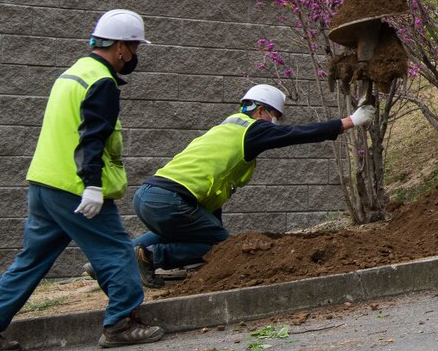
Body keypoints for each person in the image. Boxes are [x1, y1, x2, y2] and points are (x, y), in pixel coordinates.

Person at [0, 9, 160, 351]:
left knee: (31, 260)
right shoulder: (102, 81)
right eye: (135, 48)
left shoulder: (72, 74)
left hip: (44, 183)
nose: (135, 56)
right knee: (115, 252)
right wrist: (92, 185)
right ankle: (122, 323)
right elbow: (91, 137)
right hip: (76, 188)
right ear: (121, 48)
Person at [134, 85, 372, 281]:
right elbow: (297, 133)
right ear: (260, 111)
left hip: (149, 195)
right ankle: (154, 257)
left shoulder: (224, 129)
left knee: (184, 234)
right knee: (220, 247)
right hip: (170, 201)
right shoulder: (253, 130)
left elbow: (212, 199)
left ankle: (112, 262)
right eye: (274, 117)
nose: (274, 124)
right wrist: (349, 121)